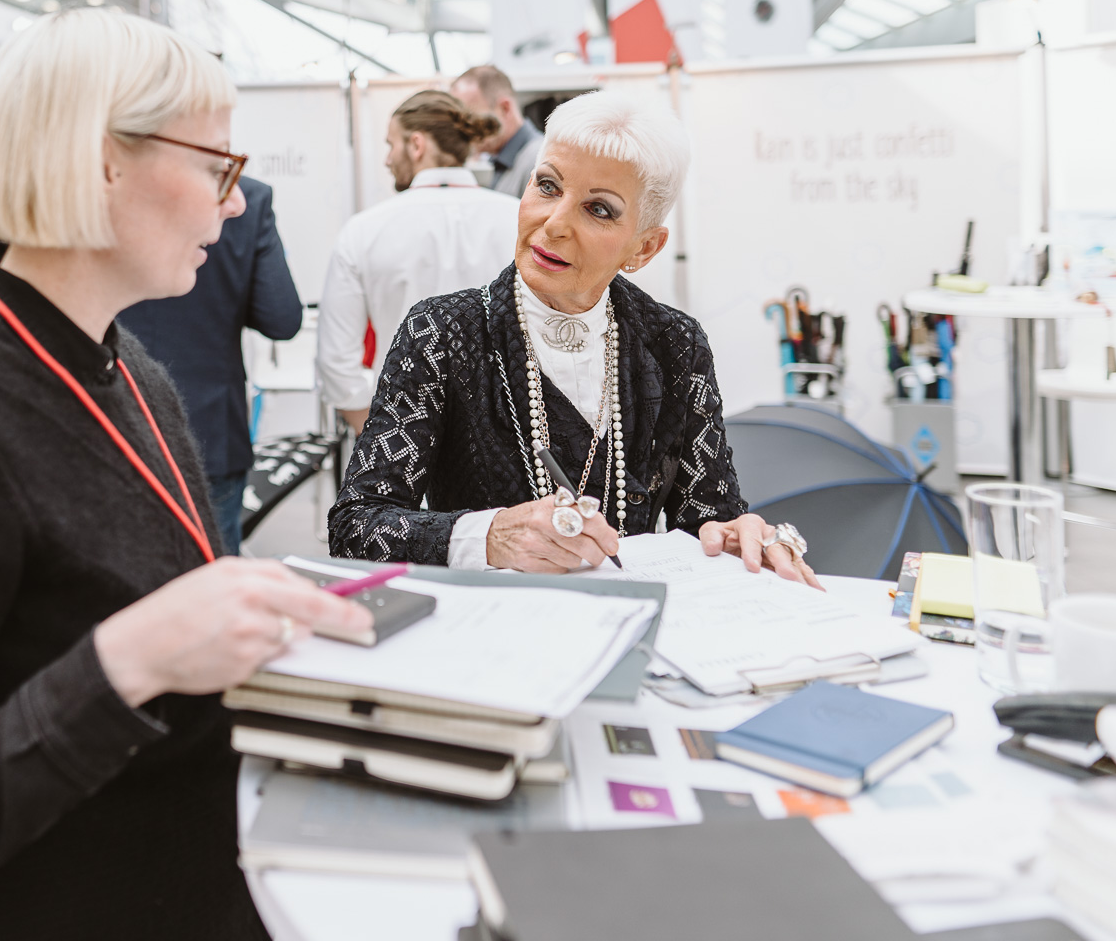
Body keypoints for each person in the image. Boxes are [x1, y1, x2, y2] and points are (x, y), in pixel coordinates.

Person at [0, 9, 369, 941]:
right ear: (102, 159)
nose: (233, 202)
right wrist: (123, 663)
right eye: (220, 165)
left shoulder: (128, 365)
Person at [327, 90, 821, 587]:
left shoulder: (675, 344)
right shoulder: (441, 332)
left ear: (644, 247)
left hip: (636, 637)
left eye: (599, 210)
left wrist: (735, 536)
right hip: (488, 638)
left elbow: (708, 518)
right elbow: (356, 526)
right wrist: (489, 535)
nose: (555, 224)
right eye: (547, 186)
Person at [117, 176, 303, 555]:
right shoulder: (248, 197)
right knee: (213, 577)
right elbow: (281, 318)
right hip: (211, 431)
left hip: (115, 419)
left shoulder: (111, 184)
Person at [316, 89, 518, 434]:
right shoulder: (519, 220)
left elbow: (336, 362)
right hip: (507, 440)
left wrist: (382, 440)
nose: (387, 159)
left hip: (402, 436)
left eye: (390, 144)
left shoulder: (364, 230)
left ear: (417, 144)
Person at [452, 64, 548, 199]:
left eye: (471, 118)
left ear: (504, 108)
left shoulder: (538, 161)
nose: (464, 130)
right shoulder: (504, 161)